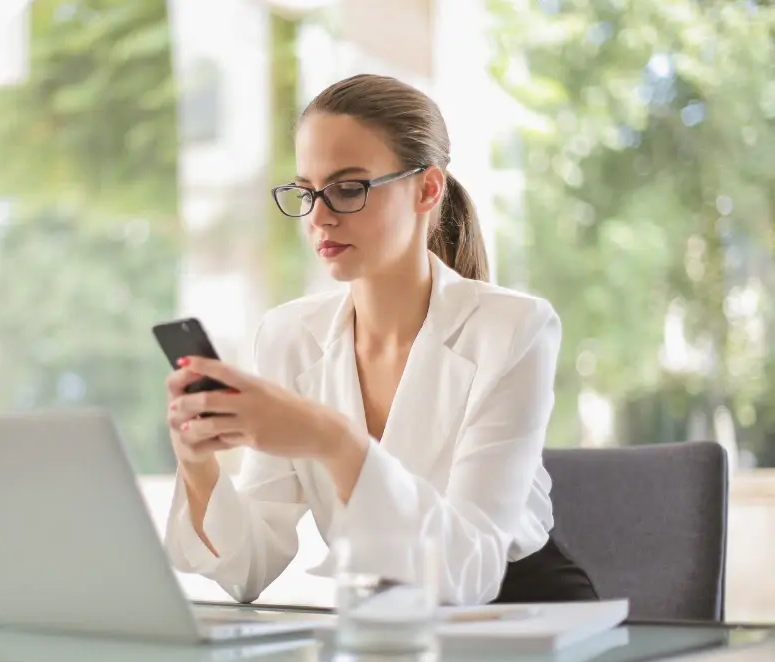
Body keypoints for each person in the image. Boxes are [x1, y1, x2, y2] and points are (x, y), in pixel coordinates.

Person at [163, 74, 597, 606]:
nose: (319, 216)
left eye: (348, 188)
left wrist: (333, 440)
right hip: (384, 628)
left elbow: (470, 572)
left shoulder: (514, 329)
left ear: (427, 188)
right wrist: (197, 460)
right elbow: (248, 568)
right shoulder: (288, 336)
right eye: (306, 191)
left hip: (522, 618)